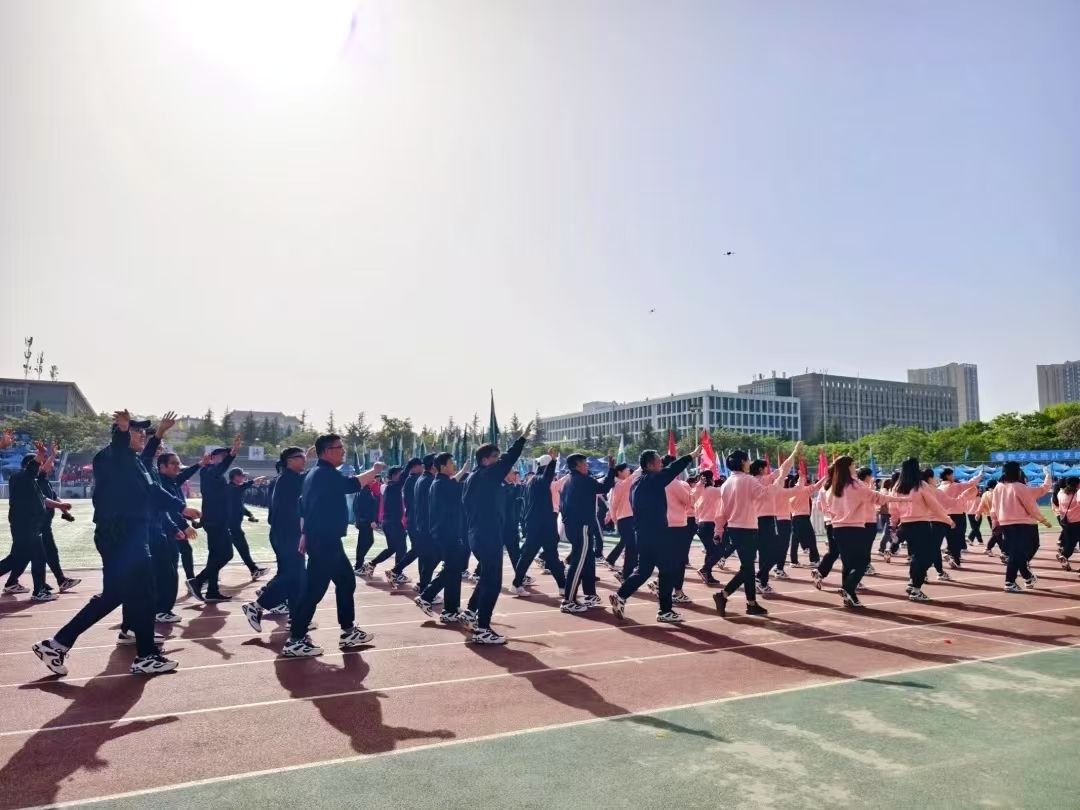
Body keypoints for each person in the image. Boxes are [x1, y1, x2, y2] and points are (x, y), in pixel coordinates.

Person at [33, 410, 200, 677]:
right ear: (121, 434)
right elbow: (119, 450)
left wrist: (180, 508)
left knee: (116, 595)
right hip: (122, 535)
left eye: (143, 432)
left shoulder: (134, 462)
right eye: (137, 431)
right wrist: (122, 431)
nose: (142, 435)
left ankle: (57, 644)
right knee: (143, 592)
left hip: (128, 535)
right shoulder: (111, 456)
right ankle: (146, 656)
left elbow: (152, 489)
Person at [280, 435, 385, 657]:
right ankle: (295, 640)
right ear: (327, 451)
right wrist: (374, 470)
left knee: (346, 582)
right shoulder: (325, 474)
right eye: (340, 448)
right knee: (314, 590)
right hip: (324, 541)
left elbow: (303, 505)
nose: (343, 451)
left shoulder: (313, 474)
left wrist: (305, 534)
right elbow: (351, 484)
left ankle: (348, 632)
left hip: (325, 539)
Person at [712, 442, 802, 618]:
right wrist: (779, 481)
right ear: (742, 462)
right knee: (747, 568)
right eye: (747, 460)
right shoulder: (748, 480)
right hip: (747, 529)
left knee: (748, 567)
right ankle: (724, 595)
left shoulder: (727, 483)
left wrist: (718, 531)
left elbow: (721, 512)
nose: (749, 463)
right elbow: (766, 494)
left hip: (735, 529)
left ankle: (750, 603)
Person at [609, 447, 699, 623]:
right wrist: (691, 456)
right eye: (659, 462)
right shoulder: (652, 479)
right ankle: (665, 610)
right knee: (668, 569)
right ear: (650, 465)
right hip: (656, 533)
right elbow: (672, 470)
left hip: (643, 534)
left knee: (644, 571)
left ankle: (620, 596)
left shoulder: (637, 482)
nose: (662, 465)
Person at [461, 435, 528, 644]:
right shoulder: (485, 475)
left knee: (487, 577)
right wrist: (521, 441)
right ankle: (483, 629)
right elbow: (509, 459)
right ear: (485, 460)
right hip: (486, 534)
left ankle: (471, 612)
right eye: (495, 457)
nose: (499, 461)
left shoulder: (477, 477)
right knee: (493, 582)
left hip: (480, 534)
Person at [822, 458, 908, 607]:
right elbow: (876, 497)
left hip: (838, 528)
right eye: (853, 465)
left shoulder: (834, 486)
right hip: (854, 528)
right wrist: (902, 499)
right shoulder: (855, 484)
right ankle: (847, 589)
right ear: (848, 467)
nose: (855, 467)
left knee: (848, 564)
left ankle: (849, 596)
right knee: (862, 563)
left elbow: (827, 507)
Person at [241, 447, 309, 634]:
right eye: (301, 457)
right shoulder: (289, 479)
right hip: (288, 534)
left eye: (305, 456)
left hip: (283, 534)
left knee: (294, 576)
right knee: (295, 576)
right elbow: (310, 478)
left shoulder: (284, 478)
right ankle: (258, 605)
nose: (304, 460)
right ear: (289, 461)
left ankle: (295, 616)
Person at [2, 446, 73, 601]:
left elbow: (43, 499)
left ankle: (38, 588)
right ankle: (39, 591)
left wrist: (60, 505)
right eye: (39, 464)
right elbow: (35, 468)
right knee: (38, 557)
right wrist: (43, 454)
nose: (41, 466)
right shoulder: (23, 478)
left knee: (17, 558)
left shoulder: (27, 480)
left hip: (27, 526)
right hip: (27, 526)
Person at [415, 452, 471, 621]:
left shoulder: (441, 482)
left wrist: (463, 470)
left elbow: (455, 482)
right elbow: (458, 485)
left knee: (454, 569)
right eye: (451, 463)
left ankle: (450, 609)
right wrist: (466, 472)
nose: (454, 465)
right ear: (442, 466)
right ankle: (427, 596)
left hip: (446, 532)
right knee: (453, 567)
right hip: (447, 533)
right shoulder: (441, 484)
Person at [187, 434, 243, 603]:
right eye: (222, 455)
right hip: (216, 522)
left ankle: (212, 591)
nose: (225, 458)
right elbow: (221, 468)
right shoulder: (211, 471)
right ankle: (198, 581)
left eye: (226, 455)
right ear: (212, 458)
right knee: (226, 554)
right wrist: (233, 454)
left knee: (215, 556)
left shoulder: (211, 473)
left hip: (214, 521)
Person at [892, 458, 956, 602]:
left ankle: (913, 582)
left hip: (905, 525)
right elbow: (934, 506)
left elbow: (893, 508)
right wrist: (948, 519)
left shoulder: (898, 487)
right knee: (926, 556)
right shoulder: (921, 485)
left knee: (917, 556)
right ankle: (915, 588)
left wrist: (894, 524)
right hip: (921, 524)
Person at [559, 453, 616, 612]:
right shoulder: (582, 480)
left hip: (575, 526)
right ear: (577, 465)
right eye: (585, 463)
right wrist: (611, 469)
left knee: (588, 559)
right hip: (581, 526)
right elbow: (604, 487)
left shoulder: (568, 481)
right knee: (578, 563)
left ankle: (590, 594)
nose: (587, 466)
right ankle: (568, 601)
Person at [155, 449, 207, 623]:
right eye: (174, 463)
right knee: (167, 572)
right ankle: (160, 610)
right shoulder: (160, 484)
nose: (178, 466)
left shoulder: (171, 480)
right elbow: (167, 510)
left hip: (170, 530)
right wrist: (182, 527)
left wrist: (200, 464)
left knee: (174, 563)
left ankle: (161, 608)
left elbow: (184, 475)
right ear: (162, 466)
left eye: (178, 463)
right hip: (164, 531)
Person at [509, 452, 566, 595]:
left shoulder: (532, 481)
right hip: (543, 524)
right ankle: (562, 586)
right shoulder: (541, 480)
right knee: (548, 555)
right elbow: (548, 476)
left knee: (535, 555)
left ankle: (562, 586)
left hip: (535, 523)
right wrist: (553, 461)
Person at [991, 462, 1053, 593]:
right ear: (1017, 472)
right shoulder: (1020, 487)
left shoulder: (998, 487)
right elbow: (1031, 506)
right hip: (1021, 524)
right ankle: (1010, 581)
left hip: (1005, 523)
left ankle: (1027, 577)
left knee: (1017, 553)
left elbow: (994, 507)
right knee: (1017, 553)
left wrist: (995, 521)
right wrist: (1043, 519)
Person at [226, 467, 270, 580]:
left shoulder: (235, 489)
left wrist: (249, 514)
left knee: (241, 549)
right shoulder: (231, 488)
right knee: (224, 555)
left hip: (233, 526)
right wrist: (253, 481)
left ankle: (254, 569)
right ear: (235, 477)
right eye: (242, 475)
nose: (244, 477)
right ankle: (205, 577)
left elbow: (239, 507)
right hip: (230, 527)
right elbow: (242, 488)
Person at [388, 458, 424, 584]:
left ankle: (398, 572)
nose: (422, 468)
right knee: (419, 549)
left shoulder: (411, 480)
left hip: (412, 520)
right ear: (415, 467)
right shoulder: (414, 480)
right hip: (415, 521)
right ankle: (396, 571)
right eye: (421, 465)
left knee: (419, 550)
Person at [937, 468, 982, 569]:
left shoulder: (939, 488)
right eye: (952, 475)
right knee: (957, 537)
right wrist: (979, 476)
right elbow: (970, 484)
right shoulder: (955, 486)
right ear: (948, 476)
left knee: (949, 537)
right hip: (957, 515)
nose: (953, 477)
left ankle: (950, 553)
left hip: (944, 515)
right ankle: (955, 558)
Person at [372, 466, 408, 581]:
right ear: (393, 476)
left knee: (392, 548)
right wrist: (410, 466)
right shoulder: (392, 487)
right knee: (401, 548)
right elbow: (404, 478)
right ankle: (396, 573)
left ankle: (371, 564)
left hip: (388, 522)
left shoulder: (389, 487)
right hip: (393, 523)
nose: (402, 476)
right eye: (399, 474)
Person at [410, 454, 439, 592]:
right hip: (428, 526)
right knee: (431, 558)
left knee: (425, 557)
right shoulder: (429, 481)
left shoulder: (423, 479)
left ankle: (423, 585)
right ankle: (425, 589)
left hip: (422, 525)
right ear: (434, 465)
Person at [604, 463, 636, 581]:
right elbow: (613, 505)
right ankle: (624, 573)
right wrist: (615, 519)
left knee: (631, 547)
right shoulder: (620, 484)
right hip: (625, 520)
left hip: (627, 519)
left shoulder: (623, 484)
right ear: (620, 472)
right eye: (626, 469)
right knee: (631, 547)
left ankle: (624, 572)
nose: (629, 470)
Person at [788, 473, 826, 567]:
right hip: (803, 518)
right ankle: (814, 560)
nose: (806, 480)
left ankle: (793, 561)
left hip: (795, 518)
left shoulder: (791, 491)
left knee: (795, 540)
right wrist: (825, 477)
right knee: (811, 539)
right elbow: (817, 486)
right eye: (804, 479)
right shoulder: (804, 490)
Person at [352, 476, 380, 576]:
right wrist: (371, 520)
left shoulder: (363, 490)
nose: (374, 480)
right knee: (365, 542)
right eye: (371, 479)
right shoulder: (365, 491)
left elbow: (356, 507)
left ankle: (358, 564)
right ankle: (358, 566)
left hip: (363, 521)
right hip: (365, 522)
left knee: (364, 542)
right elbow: (366, 508)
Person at [1053, 476, 1079, 571]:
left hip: (1066, 522)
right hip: (1077, 521)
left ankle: (1064, 555)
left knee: (1070, 543)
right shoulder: (1077, 494)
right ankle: (1064, 555)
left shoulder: (1060, 493)